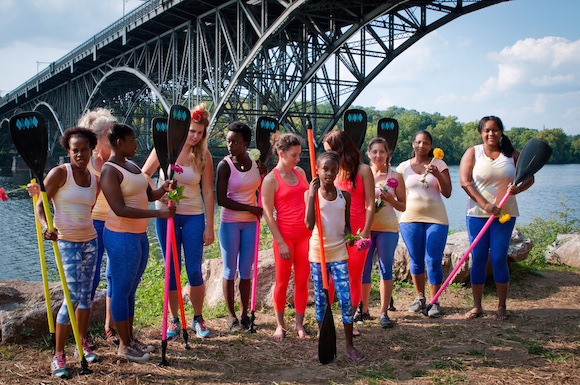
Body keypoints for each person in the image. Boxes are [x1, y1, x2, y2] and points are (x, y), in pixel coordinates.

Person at [100, 123, 176, 362]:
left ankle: (130, 338)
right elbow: (120, 209)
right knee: (122, 291)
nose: (136, 144)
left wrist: (162, 189)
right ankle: (123, 345)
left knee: (131, 290)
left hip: (138, 236)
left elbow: (146, 196)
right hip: (121, 235)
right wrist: (158, 214)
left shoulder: (132, 165)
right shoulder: (109, 171)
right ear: (119, 142)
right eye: (132, 141)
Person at [142, 103, 215, 339]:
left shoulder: (204, 155)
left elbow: (208, 192)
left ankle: (197, 317)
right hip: (166, 215)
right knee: (172, 270)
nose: (195, 136)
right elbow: (144, 174)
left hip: (194, 216)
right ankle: (174, 319)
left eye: (200, 132)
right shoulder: (164, 148)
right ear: (183, 128)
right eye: (192, 130)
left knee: (194, 270)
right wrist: (158, 192)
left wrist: (210, 226)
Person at [32, 127, 100, 378]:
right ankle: (58, 355)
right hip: (67, 242)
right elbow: (41, 206)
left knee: (86, 298)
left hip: (90, 241)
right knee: (71, 297)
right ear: (68, 151)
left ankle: (81, 344)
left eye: (84, 149)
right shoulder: (60, 173)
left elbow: (89, 209)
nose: (80, 154)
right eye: (75, 150)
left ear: (92, 149)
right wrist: (46, 228)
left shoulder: (96, 179)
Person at [459, 116, 533, 321]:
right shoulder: (473, 152)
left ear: (501, 132)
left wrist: (518, 188)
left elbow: (529, 177)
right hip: (477, 215)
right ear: (481, 132)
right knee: (479, 259)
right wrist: (485, 205)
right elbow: (465, 182)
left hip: (504, 215)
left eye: (495, 130)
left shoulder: (512, 155)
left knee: (499, 257)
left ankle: (502, 306)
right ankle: (477, 306)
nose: (491, 134)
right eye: (487, 130)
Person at [305, 151, 365, 363]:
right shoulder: (310, 194)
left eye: (333, 170)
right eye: (325, 169)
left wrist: (350, 237)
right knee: (321, 301)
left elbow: (346, 224)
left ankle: (349, 345)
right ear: (317, 171)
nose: (329, 174)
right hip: (318, 255)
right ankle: (323, 343)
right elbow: (309, 224)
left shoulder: (344, 195)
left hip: (339, 253)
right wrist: (312, 195)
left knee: (346, 299)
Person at [215, 121, 266, 332]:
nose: (230, 145)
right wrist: (251, 209)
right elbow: (221, 199)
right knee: (230, 270)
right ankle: (231, 316)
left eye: (234, 141)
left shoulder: (256, 163)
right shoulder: (224, 165)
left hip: (250, 225)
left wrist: (264, 173)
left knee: (246, 270)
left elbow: (262, 186)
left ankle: (245, 315)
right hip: (230, 222)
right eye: (228, 141)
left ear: (246, 143)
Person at [261, 132, 312, 341]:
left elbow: (308, 199)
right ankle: (280, 325)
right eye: (294, 155)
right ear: (281, 154)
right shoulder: (271, 180)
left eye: (299, 154)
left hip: (305, 236)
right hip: (284, 238)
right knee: (282, 282)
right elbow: (267, 214)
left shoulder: (300, 172)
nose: (298, 159)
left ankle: (299, 325)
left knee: (302, 281)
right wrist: (281, 242)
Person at [396, 130, 452, 318]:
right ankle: (420, 297)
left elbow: (448, 192)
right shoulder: (403, 167)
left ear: (431, 146)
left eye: (426, 142)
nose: (422, 145)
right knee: (416, 259)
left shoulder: (439, 164)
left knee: (433, 260)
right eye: (419, 142)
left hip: (436, 219)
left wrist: (437, 174)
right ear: (413, 144)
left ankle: (434, 301)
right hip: (409, 218)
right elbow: (395, 191)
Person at [323, 130, 375, 326]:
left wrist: (366, 233)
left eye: (331, 151)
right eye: (326, 152)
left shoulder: (363, 170)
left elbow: (370, 204)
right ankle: (326, 321)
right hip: (334, 232)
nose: (328, 156)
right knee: (329, 278)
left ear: (342, 149)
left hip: (358, 232)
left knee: (353, 277)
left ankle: (349, 321)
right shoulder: (331, 171)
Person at [78, 108, 118, 343]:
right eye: (110, 136)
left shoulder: (116, 158)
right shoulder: (85, 161)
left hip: (114, 222)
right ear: (99, 138)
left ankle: (109, 328)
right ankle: (82, 337)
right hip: (92, 224)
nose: (114, 140)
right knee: (90, 279)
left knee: (113, 275)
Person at [363, 138, 406, 328]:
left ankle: (383, 312)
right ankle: (363, 310)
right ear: (368, 154)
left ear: (387, 154)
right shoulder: (363, 174)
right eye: (374, 152)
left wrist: (391, 199)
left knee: (385, 268)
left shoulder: (396, 176)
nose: (378, 155)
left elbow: (403, 206)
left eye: (382, 152)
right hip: (366, 227)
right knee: (364, 270)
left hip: (388, 228)